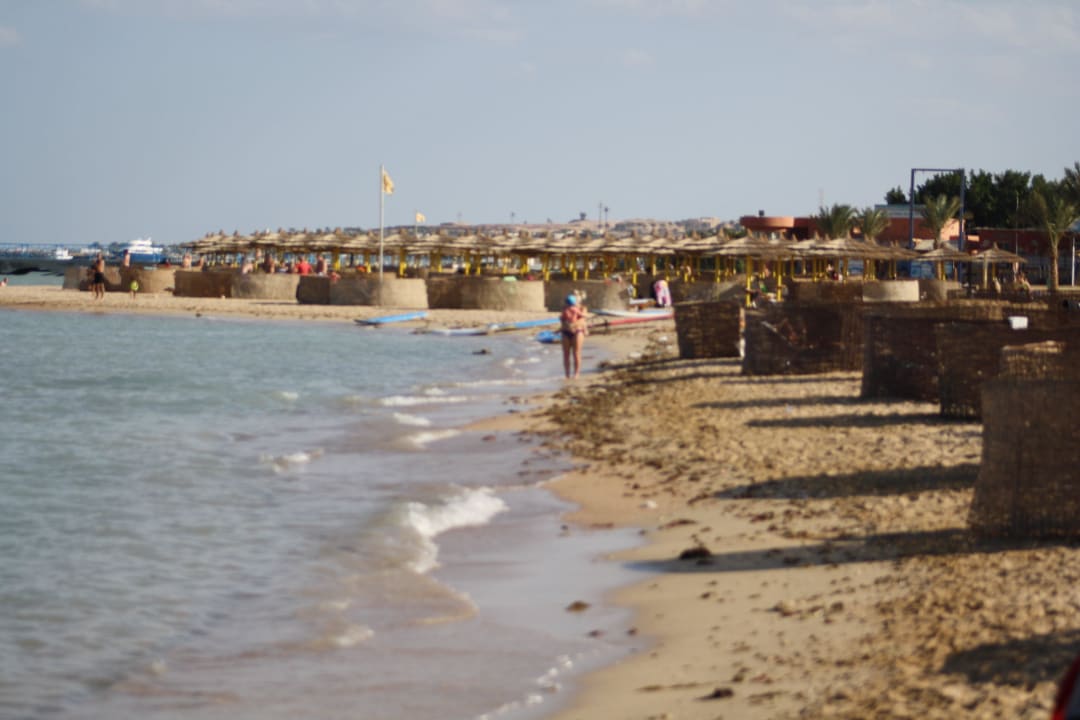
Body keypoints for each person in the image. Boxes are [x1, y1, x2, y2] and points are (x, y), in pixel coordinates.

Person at [560, 293, 588, 379]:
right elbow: (562, 320)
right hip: (566, 332)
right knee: (566, 354)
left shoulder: (582, 309)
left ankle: (576, 373)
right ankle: (567, 374)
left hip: (578, 331)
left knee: (576, 353)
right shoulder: (566, 309)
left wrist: (572, 325)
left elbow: (583, 320)